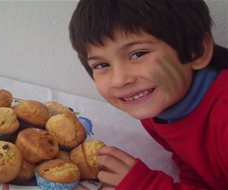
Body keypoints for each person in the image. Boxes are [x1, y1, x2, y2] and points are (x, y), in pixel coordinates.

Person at [68, 0, 228, 189]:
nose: (119, 80)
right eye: (102, 65)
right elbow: (197, 169)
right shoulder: (156, 105)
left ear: (197, 52)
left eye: (138, 54)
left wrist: (146, 185)